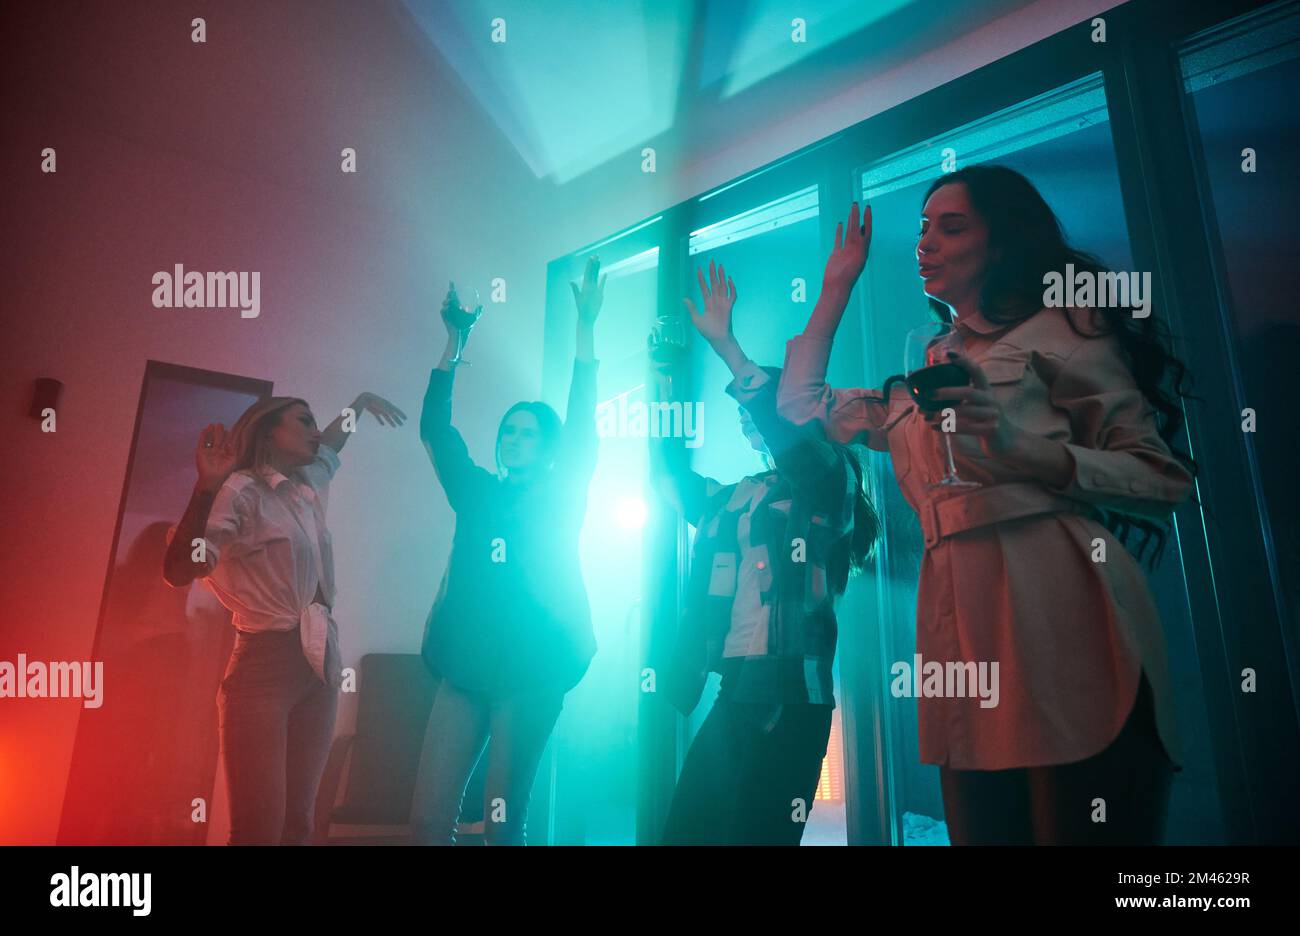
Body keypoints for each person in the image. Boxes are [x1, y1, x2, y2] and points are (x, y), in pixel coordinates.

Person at [778, 166, 1196, 844]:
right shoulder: (929, 370)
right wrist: (835, 288)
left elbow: (1162, 480)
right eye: (921, 230)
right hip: (955, 619)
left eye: (951, 226)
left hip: (1056, 595)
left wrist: (1018, 446)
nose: (926, 243)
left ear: (1001, 242)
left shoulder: (1066, 326)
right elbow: (802, 409)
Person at [656, 260, 878, 845]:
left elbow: (793, 442)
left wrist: (728, 347)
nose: (751, 427)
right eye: (746, 420)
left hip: (793, 698)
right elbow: (672, 479)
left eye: (763, 417)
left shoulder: (832, 479)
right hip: (733, 691)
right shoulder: (739, 497)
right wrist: (663, 378)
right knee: (686, 835)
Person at [409, 259, 604, 845]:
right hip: (464, 666)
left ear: (550, 449)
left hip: (534, 669)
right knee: (425, 820)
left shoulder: (563, 492)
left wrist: (586, 326)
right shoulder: (477, 492)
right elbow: (435, 431)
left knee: (502, 821)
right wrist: (454, 342)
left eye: (528, 432)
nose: (512, 439)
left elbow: (585, 423)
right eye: (507, 430)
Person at [162, 390, 406, 844]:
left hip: (319, 665)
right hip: (263, 668)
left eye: (315, 422)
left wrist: (359, 404)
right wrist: (206, 486)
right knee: (258, 830)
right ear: (269, 432)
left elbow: (331, 444)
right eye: (303, 422)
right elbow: (180, 570)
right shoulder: (242, 491)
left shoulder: (308, 481)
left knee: (299, 823)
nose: (316, 431)